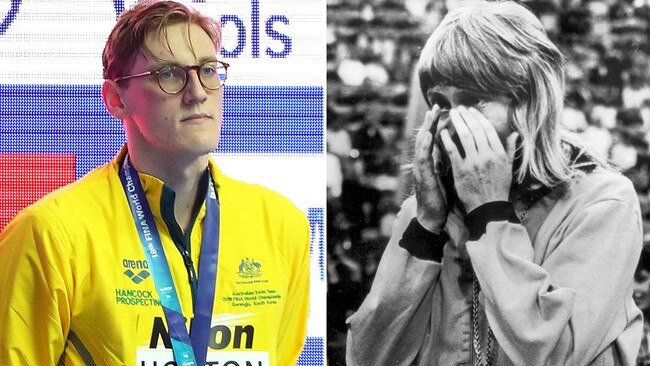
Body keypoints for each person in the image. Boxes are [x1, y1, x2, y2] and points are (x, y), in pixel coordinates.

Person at [0, 1, 310, 365]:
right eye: (169, 74)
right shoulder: (51, 233)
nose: (197, 92)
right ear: (116, 99)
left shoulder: (282, 225)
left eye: (208, 70)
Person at [346, 1, 644, 365]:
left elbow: (555, 355)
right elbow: (368, 358)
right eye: (439, 102)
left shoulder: (601, 202)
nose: (452, 120)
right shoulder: (429, 209)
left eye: (473, 100)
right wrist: (425, 229)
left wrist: (490, 215)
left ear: (529, 101)